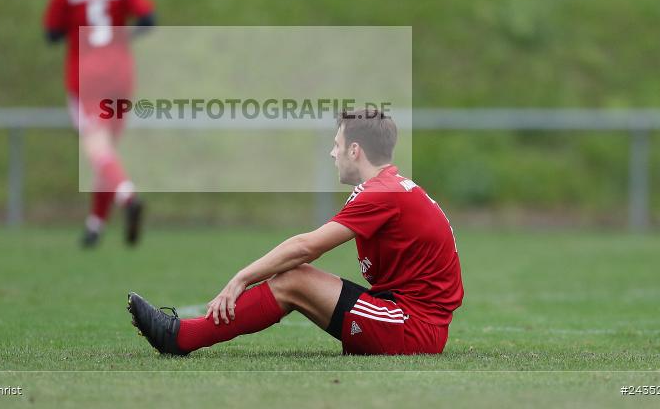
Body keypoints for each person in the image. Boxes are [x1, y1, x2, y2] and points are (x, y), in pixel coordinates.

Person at [128, 109, 463, 355]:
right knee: (297, 278)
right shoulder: (390, 187)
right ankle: (183, 335)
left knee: (294, 279)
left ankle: (181, 338)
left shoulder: (380, 193)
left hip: (413, 327)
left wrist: (241, 277)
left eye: (337, 144)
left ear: (355, 150)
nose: (333, 152)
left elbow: (306, 247)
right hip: (407, 317)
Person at [42, 0, 156, 247]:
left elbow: (51, 34)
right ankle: (95, 226)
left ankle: (128, 197)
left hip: (87, 75)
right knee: (108, 154)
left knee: (98, 150)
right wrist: (123, 36)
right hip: (121, 74)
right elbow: (149, 18)